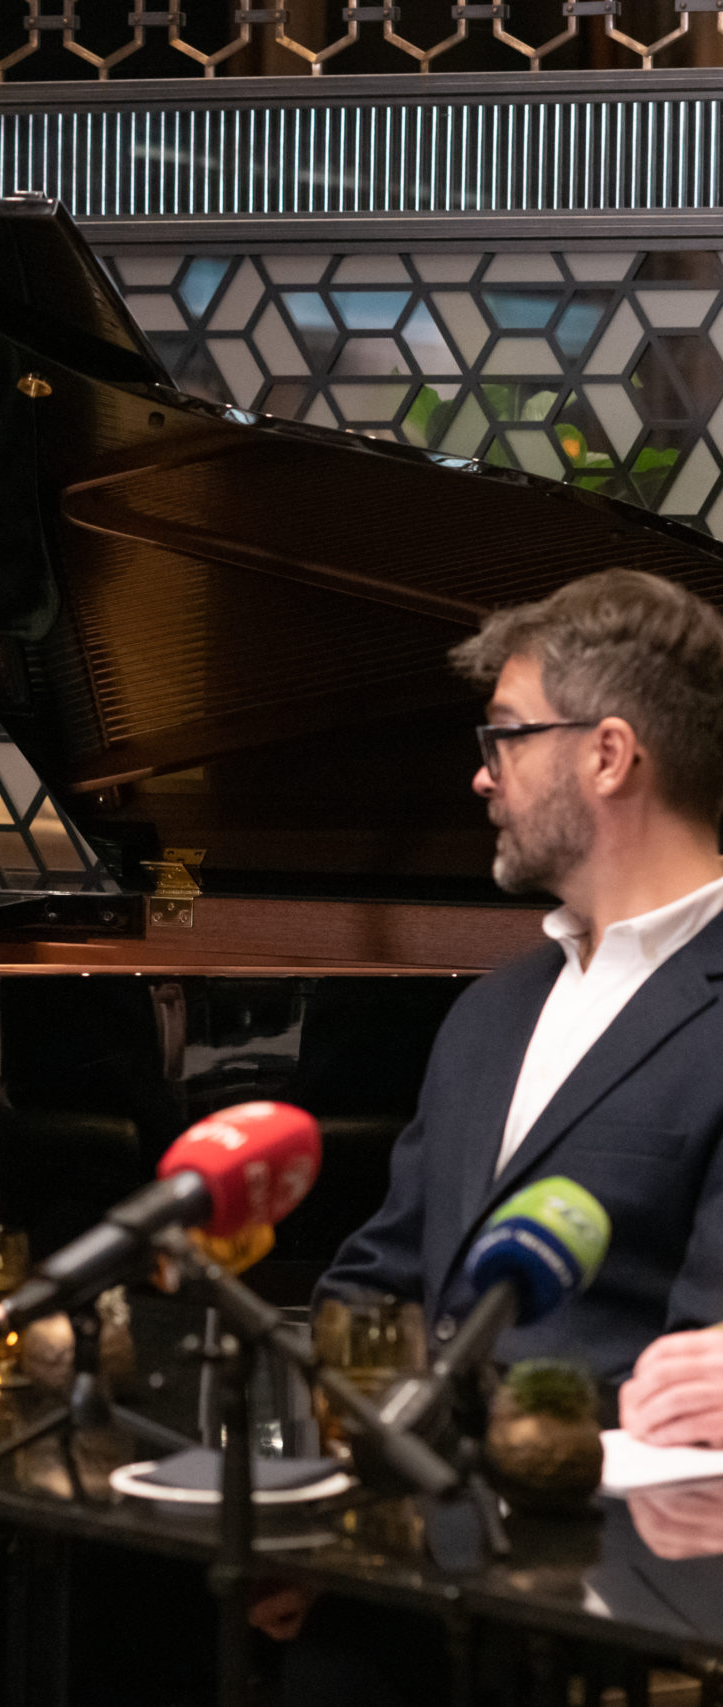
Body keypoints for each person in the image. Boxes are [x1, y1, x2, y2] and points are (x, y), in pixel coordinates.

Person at [277, 569, 723, 1702]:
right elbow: (376, 1280)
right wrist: (320, 1498)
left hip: (616, 1593)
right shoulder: (491, 1009)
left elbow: (694, 1377)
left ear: (608, 754)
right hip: (413, 1561)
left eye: (507, 736)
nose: (482, 774)